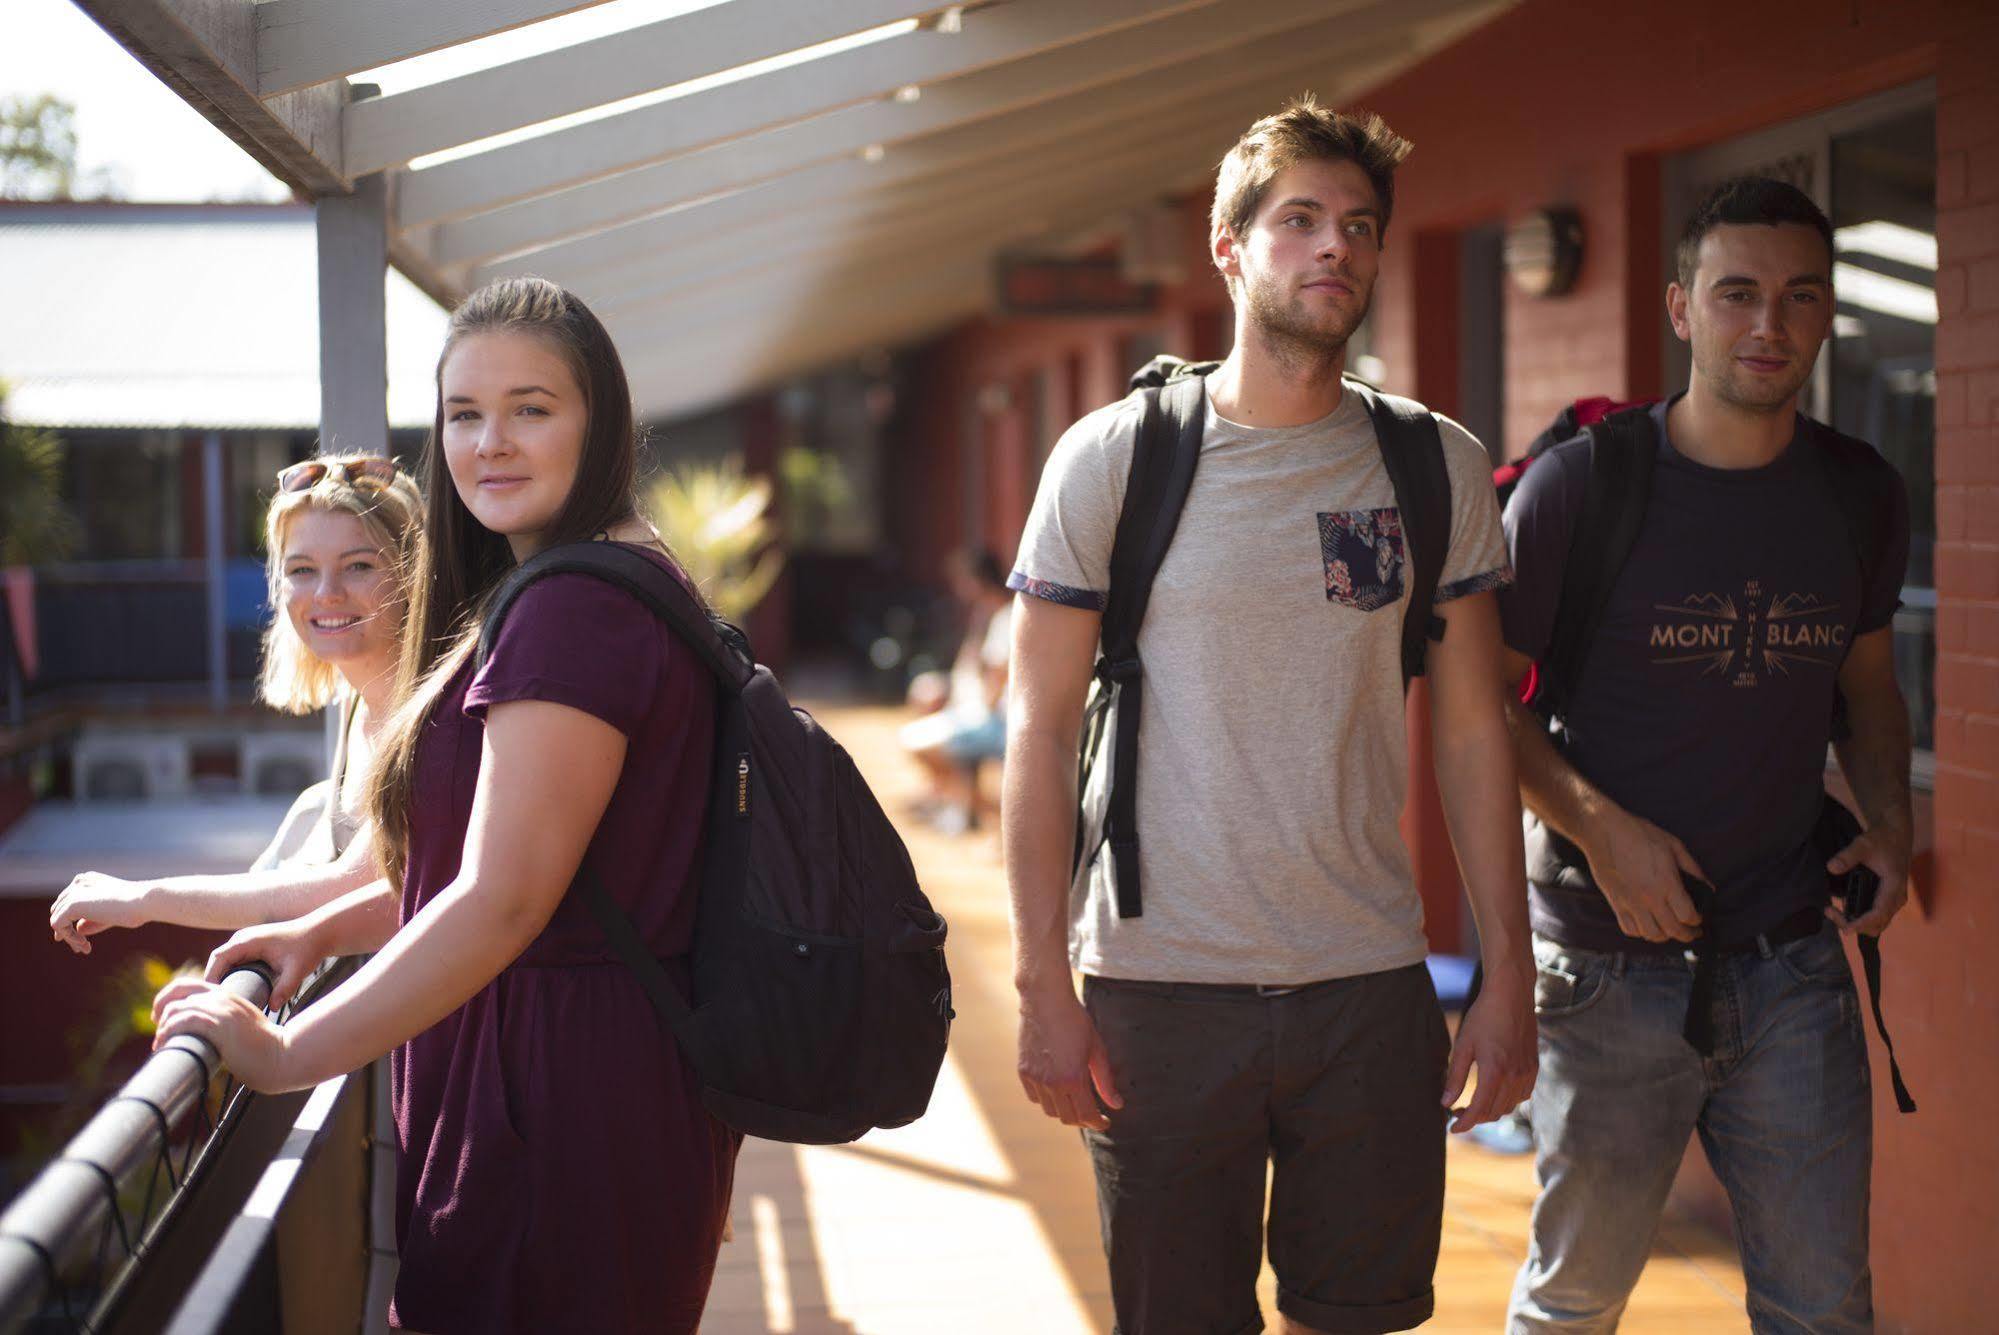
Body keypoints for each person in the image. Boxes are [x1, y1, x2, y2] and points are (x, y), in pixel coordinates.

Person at [1004, 97, 1536, 1335]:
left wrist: (1504, 976)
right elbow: (1034, 732)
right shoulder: (1112, 459)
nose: (1332, 247)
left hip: (1366, 988)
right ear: (1229, 246)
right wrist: (1040, 982)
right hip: (1155, 990)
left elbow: (1470, 734)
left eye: (1357, 225)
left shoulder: (1431, 465)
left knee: (1358, 1318)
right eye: (1297, 220)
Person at [149, 277, 738, 1333]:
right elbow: (503, 866)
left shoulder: (570, 614)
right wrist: (318, 930)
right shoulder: (619, 579)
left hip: (554, 1104)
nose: (490, 444)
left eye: (531, 408)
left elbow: (505, 899)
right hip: (591, 1083)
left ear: (598, 422)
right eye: (464, 413)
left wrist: (286, 1054)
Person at [1498, 177, 1912, 1334]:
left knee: (1823, 1308)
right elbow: (1483, 714)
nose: (1767, 325)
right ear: (1681, 308)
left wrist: (1892, 824)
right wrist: (1600, 829)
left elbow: (1869, 695)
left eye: (1798, 297)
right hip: (1607, 964)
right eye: (1736, 294)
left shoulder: (1858, 495)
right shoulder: (1579, 489)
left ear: (1829, 316)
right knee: (1573, 1304)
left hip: (1791, 961)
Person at [48, 456, 421, 975]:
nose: (326, 592)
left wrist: (144, 900)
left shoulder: (428, 710)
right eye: (301, 570)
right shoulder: (358, 699)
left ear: (412, 573)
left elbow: (354, 888)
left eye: (359, 565)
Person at [900, 547, 1012, 833]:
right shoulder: (984, 614)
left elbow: (996, 681)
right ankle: (955, 802)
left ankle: (990, 814)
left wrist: (966, 710)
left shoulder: (1005, 616)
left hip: (995, 719)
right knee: (924, 690)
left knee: (916, 742)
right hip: (977, 708)